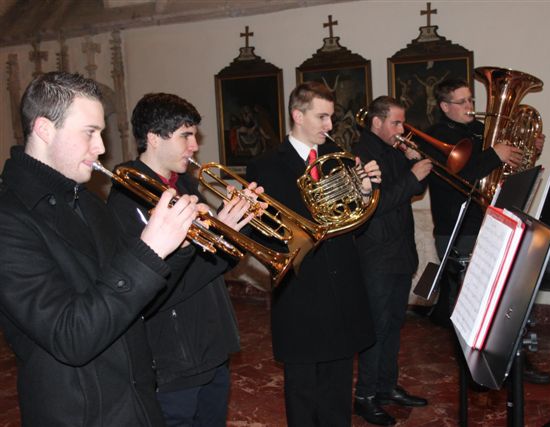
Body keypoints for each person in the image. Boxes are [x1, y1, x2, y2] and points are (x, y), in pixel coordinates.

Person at [0, 71, 199, 426]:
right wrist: (149, 251)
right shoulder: (9, 218)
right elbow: (70, 336)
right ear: (44, 129)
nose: (101, 148)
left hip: (137, 402)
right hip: (80, 414)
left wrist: (179, 246)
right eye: (89, 132)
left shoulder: (88, 201)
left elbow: (136, 304)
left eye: (101, 133)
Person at [107, 92, 261, 426]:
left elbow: (215, 268)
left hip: (211, 343)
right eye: (185, 136)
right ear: (153, 138)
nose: (194, 146)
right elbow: (159, 290)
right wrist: (215, 240)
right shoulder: (128, 199)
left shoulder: (185, 184)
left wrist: (235, 229)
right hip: (175, 355)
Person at [245, 81, 381, 427]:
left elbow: (355, 227)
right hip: (301, 291)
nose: (330, 125)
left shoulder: (339, 159)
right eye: (322, 117)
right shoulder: (265, 165)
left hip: (342, 289)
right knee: (302, 392)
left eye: (331, 116)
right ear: (297, 115)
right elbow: (263, 232)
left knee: (338, 390)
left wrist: (365, 194)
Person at [423, 77, 550, 385]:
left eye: (471, 100)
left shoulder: (481, 131)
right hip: (459, 228)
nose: (470, 106)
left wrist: (527, 149)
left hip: (491, 222)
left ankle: (511, 361)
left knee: (505, 296)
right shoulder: (436, 136)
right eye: (462, 102)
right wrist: (495, 154)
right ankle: (473, 369)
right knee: (470, 305)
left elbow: (508, 166)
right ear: (445, 106)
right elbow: (459, 177)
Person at [350, 96, 432, 426]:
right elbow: (376, 204)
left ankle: (386, 387)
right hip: (376, 256)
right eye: (396, 123)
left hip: (399, 252)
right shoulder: (361, 154)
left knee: (395, 324)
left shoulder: (394, 151)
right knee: (377, 328)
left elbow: (413, 191)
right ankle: (364, 396)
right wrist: (411, 176)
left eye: (402, 122)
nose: (402, 129)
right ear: (376, 122)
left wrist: (415, 163)